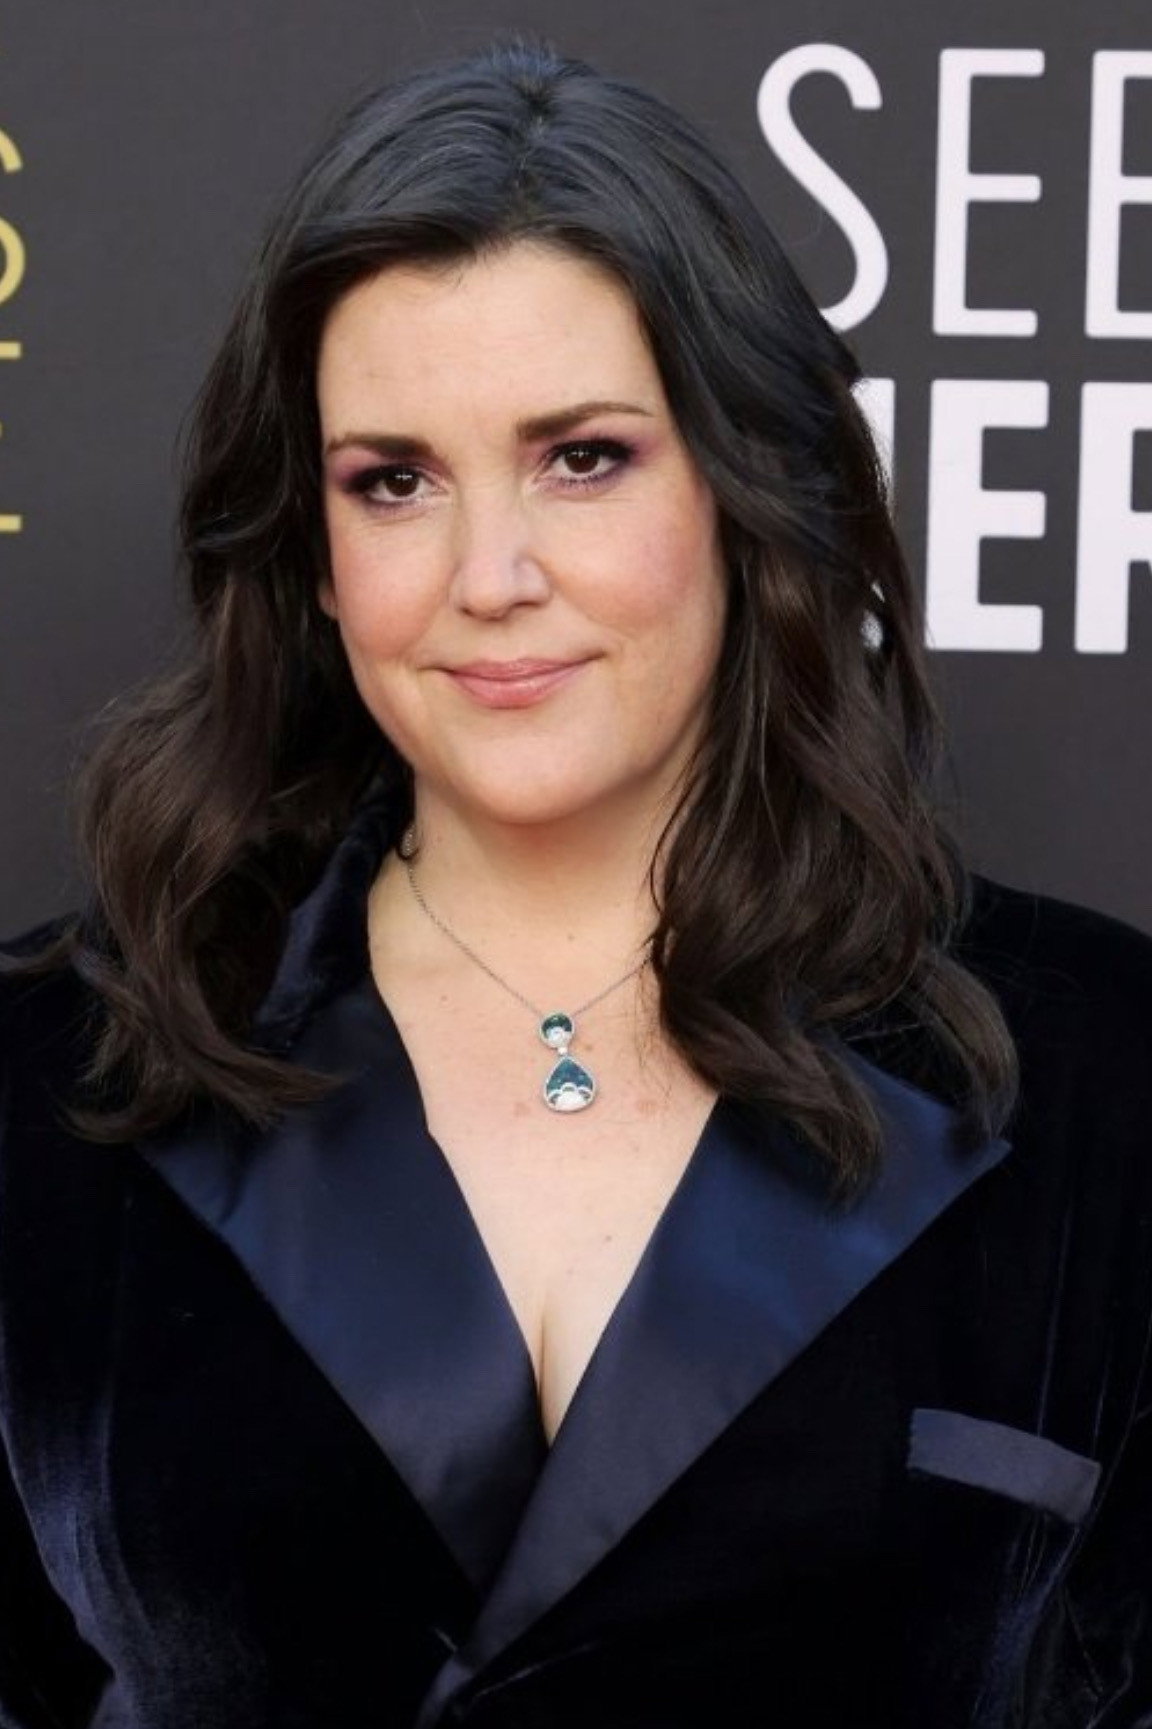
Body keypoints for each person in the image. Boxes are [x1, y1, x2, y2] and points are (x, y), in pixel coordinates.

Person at [1, 36, 1150, 1729]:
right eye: (394, 481)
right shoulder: (49, 1074)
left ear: (748, 490)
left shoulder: (1106, 1071)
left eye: (583, 457)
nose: (490, 575)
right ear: (314, 554)